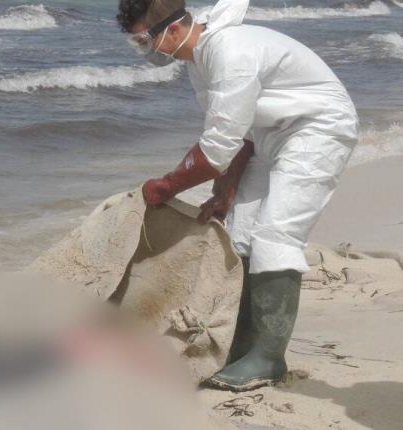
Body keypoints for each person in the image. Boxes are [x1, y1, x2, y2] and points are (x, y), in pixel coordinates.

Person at [116, 0, 359, 391]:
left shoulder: (230, 53)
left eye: (145, 41)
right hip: (269, 135)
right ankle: (241, 346)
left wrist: (164, 186)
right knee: (240, 232)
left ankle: (268, 358)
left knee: (275, 233)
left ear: (174, 30)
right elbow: (237, 134)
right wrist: (226, 190)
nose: (147, 52)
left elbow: (214, 152)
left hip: (317, 128)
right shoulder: (199, 60)